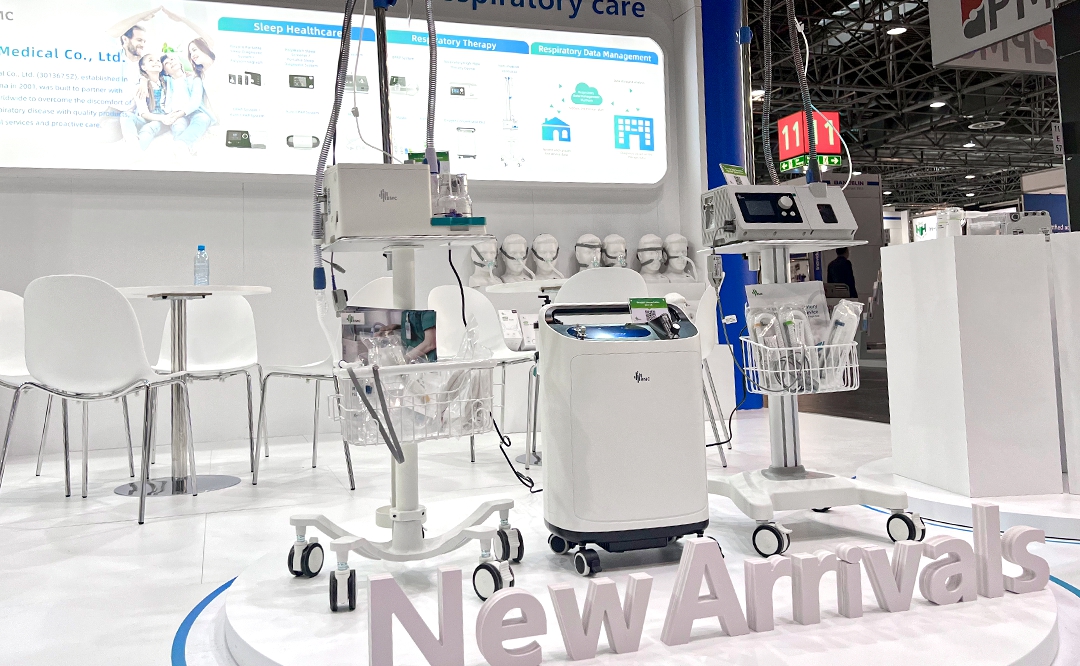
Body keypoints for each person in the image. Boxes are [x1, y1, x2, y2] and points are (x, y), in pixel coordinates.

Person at [160, 53, 212, 154]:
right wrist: (143, 81)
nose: (171, 62)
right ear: (165, 71)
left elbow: (196, 101)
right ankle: (184, 149)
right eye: (166, 63)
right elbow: (149, 76)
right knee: (178, 127)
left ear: (180, 63)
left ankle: (181, 144)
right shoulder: (165, 81)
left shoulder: (194, 78)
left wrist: (180, 114)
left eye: (173, 59)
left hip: (195, 111)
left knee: (203, 119)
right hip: (176, 113)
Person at [119, 53, 171, 150]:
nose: (156, 62)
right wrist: (143, 80)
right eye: (151, 60)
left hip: (161, 120)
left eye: (158, 61)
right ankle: (132, 142)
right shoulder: (140, 87)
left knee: (149, 128)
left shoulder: (167, 82)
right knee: (125, 115)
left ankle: (135, 151)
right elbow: (144, 113)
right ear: (143, 67)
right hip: (146, 118)